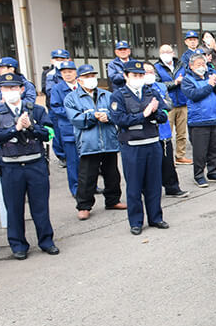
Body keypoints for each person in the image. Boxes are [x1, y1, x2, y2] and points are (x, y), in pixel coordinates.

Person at [0, 74, 59, 259]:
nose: (11, 92)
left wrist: (31, 126)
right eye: (6, 88)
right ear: (1, 90)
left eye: (14, 88)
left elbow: (49, 133)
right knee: (14, 208)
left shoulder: (36, 110)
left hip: (35, 164)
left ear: (22, 89)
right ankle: (18, 245)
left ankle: (46, 241)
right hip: (10, 167)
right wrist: (15, 129)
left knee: (40, 206)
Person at [109, 60, 170, 235]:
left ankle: (156, 217)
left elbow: (163, 115)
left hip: (152, 142)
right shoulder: (118, 96)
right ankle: (136, 221)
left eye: (141, 75)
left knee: (154, 184)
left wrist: (155, 112)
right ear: (126, 76)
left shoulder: (151, 92)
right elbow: (119, 119)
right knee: (134, 186)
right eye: (135, 75)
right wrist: (144, 114)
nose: (138, 78)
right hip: (132, 146)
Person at [64, 64, 126, 219]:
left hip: (109, 140)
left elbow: (117, 113)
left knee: (112, 174)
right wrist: (93, 117)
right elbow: (75, 119)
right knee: (87, 176)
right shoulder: (72, 98)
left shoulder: (107, 95)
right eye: (86, 77)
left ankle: (113, 200)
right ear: (79, 80)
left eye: (92, 76)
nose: (90, 79)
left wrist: (109, 117)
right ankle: (84, 205)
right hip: (88, 143)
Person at [180, 50, 216, 187]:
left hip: (214, 118)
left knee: (215, 149)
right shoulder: (187, 80)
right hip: (198, 121)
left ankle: (213, 172)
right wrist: (209, 85)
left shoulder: (210, 77)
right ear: (191, 66)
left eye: (203, 63)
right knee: (200, 151)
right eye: (198, 64)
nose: (201, 66)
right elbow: (195, 95)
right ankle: (199, 175)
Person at [144, 62, 188, 199]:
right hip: (147, 133)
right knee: (149, 166)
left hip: (163, 131)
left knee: (167, 162)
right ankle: (149, 191)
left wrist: (156, 107)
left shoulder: (161, 86)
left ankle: (172, 188)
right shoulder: (138, 91)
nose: (149, 75)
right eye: (146, 72)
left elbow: (168, 104)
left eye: (151, 72)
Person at [49, 60, 81, 197]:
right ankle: (76, 188)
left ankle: (90, 185)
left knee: (87, 161)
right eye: (64, 72)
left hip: (85, 129)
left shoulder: (82, 85)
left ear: (76, 72)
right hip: (69, 129)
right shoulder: (57, 88)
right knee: (72, 161)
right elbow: (56, 108)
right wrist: (75, 114)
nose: (67, 74)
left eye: (70, 71)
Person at [154, 44, 190, 164]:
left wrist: (182, 81)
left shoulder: (181, 65)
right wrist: (175, 82)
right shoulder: (156, 67)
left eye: (168, 52)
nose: (166, 54)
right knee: (166, 132)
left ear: (173, 53)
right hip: (167, 104)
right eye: (163, 52)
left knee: (182, 132)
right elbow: (158, 85)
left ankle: (180, 155)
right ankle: (167, 157)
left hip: (182, 102)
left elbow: (188, 79)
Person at [44, 48, 71, 166]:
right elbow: (48, 91)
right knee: (58, 133)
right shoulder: (49, 75)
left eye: (62, 59)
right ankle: (62, 156)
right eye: (57, 59)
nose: (59, 61)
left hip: (71, 108)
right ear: (52, 60)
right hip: (55, 108)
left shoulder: (72, 72)